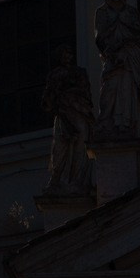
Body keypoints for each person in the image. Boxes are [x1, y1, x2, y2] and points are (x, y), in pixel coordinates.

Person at [93, 0, 140, 143]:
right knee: (110, 89)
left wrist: (135, 43)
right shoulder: (102, 12)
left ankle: (124, 123)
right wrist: (112, 47)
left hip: (130, 57)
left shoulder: (131, 13)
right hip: (113, 57)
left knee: (127, 89)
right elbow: (100, 37)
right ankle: (107, 121)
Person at [40, 49, 96, 196]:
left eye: (69, 54)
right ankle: (57, 179)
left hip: (79, 110)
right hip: (64, 113)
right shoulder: (54, 75)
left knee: (82, 139)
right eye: (64, 54)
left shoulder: (79, 73)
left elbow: (85, 91)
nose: (67, 56)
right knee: (60, 147)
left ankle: (78, 179)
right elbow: (47, 99)